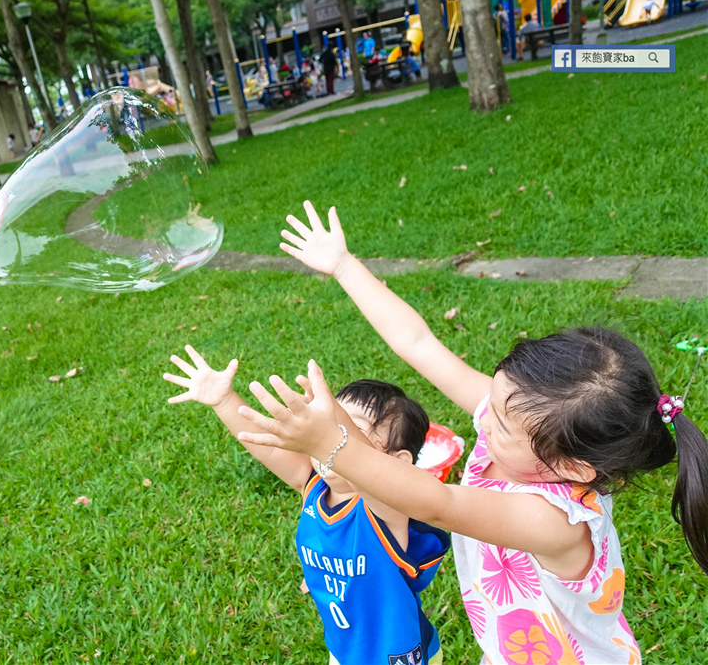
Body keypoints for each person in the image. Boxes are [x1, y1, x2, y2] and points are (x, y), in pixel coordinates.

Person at [234, 201, 708, 665]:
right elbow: (419, 343)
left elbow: (439, 503)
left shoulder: (555, 522)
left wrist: (328, 445)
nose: (484, 414)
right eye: (496, 398)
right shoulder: (522, 424)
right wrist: (343, 265)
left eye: (500, 421)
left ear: (569, 467)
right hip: (511, 649)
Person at [163, 345, 450, 665]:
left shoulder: (387, 508)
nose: (325, 435)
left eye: (344, 426)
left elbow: (370, 473)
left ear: (396, 462)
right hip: (344, 649)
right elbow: (265, 447)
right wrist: (224, 400)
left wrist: (333, 426)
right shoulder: (312, 486)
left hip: (396, 656)